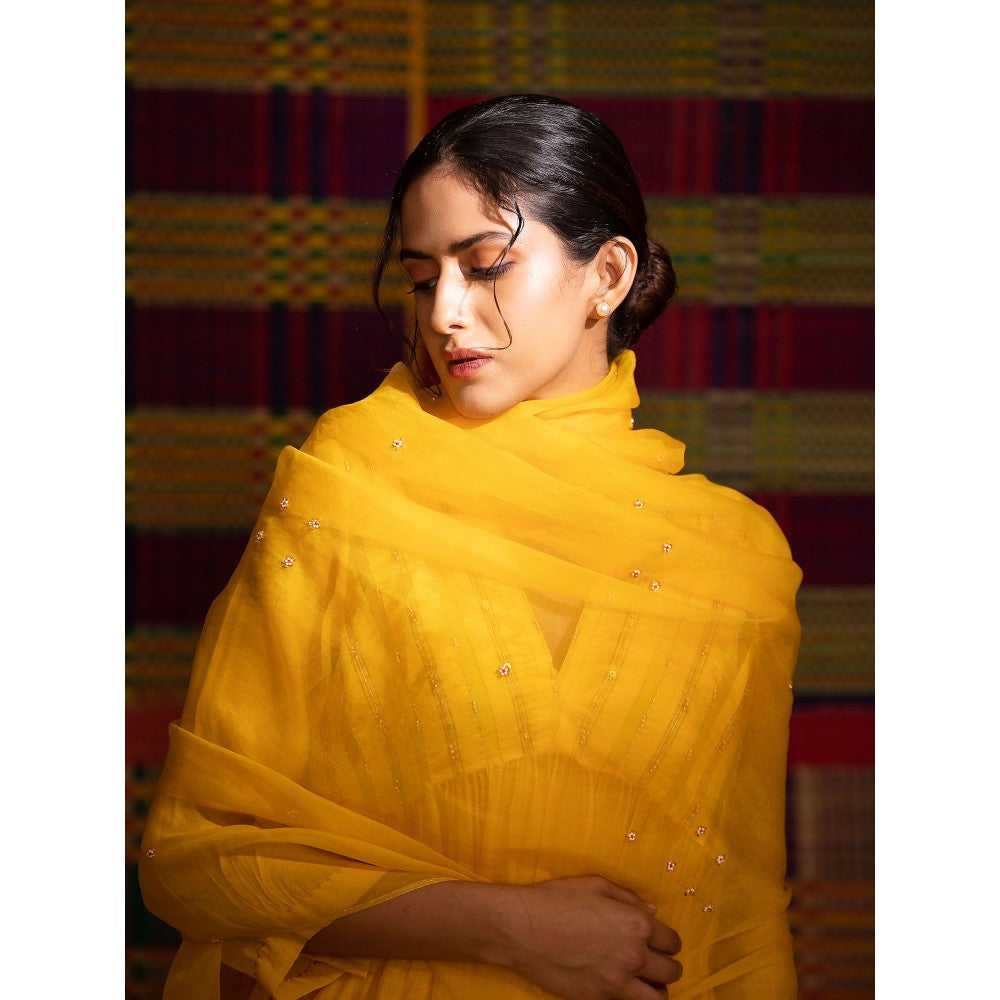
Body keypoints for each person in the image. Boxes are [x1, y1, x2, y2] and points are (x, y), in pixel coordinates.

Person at [139, 93, 802, 999]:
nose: (445, 313)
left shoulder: (733, 556)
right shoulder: (351, 484)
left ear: (608, 275)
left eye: (486, 266)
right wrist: (510, 928)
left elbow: (744, 919)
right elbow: (193, 858)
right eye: (423, 280)